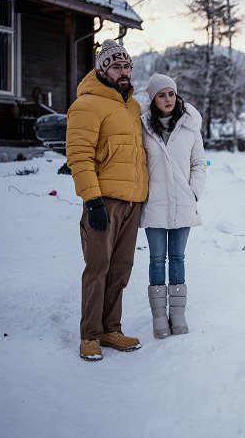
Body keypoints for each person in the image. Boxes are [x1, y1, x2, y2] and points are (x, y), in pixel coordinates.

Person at [66, 39, 149, 361]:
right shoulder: (87, 104)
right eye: (117, 66)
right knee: (98, 267)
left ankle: (111, 329)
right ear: (103, 69)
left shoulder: (132, 106)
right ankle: (89, 334)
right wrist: (92, 200)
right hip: (103, 201)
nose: (124, 72)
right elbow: (79, 156)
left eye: (127, 66)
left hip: (132, 201)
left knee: (121, 268)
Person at [140, 74, 206, 339]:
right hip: (154, 202)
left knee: (177, 258)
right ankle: (158, 316)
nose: (167, 100)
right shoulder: (143, 126)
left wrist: (194, 192)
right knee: (157, 259)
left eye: (171, 94)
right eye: (161, 95)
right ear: (153, 99)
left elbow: (199, 164)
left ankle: (177, 314)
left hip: (183, 201)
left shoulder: (190, 125)